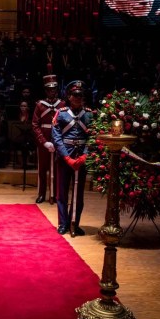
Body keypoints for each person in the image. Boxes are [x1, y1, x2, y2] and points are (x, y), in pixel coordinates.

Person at [52, 80, 92, 236]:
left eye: (80, 95)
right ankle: (63, 223)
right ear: (69, 97)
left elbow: (92, 138)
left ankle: (75, 222)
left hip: (81, 158)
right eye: (75, 95)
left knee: (78, 193)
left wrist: (85, 155)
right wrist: (67, 157)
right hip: (65, 157)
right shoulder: (61, 113)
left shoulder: (89, 114)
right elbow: (56, 137)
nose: (78, 98)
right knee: (62, 192)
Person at [31, 75, 65, 204]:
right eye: (49, 89)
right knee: (42, 168)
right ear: (45, 91)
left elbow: (64, 123)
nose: (52, 91)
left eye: (54, 89)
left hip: (58, 140)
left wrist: (59, 140)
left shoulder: (62, 104)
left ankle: (55, 194)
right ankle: (41, 194)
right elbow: (35, 125)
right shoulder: (40, 105)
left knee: (57, 169)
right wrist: (44, 141)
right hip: (44, 141)